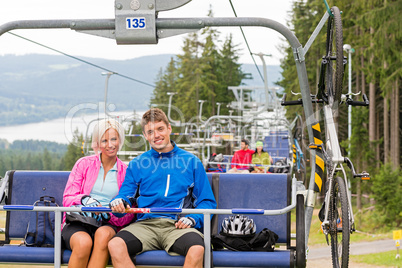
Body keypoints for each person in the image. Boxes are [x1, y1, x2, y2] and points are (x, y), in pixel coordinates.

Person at [108, 108, 217, 268]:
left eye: (160, 129)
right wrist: (119, 202)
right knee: (115, 245)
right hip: (145, 225)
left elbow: (207, 201)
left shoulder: (191, 162)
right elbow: (126, 195)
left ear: (169, 129)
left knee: (197, 249)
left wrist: (193, 218)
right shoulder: (137, 164)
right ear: (145, 136)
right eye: (150, 132)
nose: (156, 135)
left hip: (177, 224)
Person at [62, 119, 135, 268]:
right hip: (80, 220)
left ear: (120, 140)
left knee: (103, 235)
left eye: (114, 139)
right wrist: (84, 200)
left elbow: (129, 214)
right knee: (83, 243)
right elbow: (67, 198)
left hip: (108, 224)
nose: (110, 145)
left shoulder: (126, 172)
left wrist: (109, 213)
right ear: (97, 143)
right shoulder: (83, 164)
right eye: (104, 140)